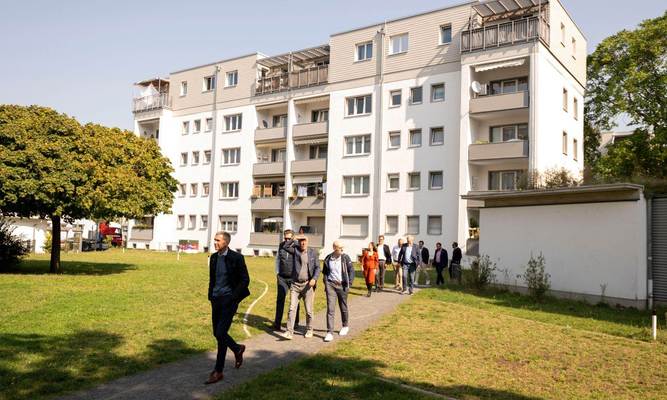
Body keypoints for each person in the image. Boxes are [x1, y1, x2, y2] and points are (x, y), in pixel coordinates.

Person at [205, 231, 250, 385]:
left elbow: (245, 280)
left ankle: (218, 370)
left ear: (226, 242)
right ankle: (237, 349)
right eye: (214, 240)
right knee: (218, 334)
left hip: (229, 300)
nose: (215, 242)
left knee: (220, 332)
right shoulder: (214, 258)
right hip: (216, 299)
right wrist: (211, 296)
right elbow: (213, 279)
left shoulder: (236, 258)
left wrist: (233, 298)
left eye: (218, 240)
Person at [282, 235, 320, 340]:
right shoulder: (295, 250)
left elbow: (317, 268)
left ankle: (309, 329)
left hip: (307, 285)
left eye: (304, 241)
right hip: (295, 285)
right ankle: (289, 332)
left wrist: (314, 279)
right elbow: (285, 246)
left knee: (309, 310)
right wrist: (294, 238)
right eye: (301, 241)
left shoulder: (313, 252)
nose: (302, 243)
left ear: (307, 241)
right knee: (292, 308)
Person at [322, 240, 355, 342]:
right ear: (334, 248)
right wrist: (326, 283)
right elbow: (325, 272)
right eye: (340, 248)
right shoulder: (328, 258)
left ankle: (345, 326)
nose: (342, 249)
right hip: (331, 285)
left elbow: (351, 271)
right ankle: (329, 332)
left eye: (342, 248)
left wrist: (349, 283)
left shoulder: (345, 258)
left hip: (342, 285)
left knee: (343, 306)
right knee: (330, 309)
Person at [272, 229, 299, 331]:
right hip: (282, 277)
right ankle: (277, 324)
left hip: (293, 278)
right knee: (280, 300)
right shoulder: (281, 245)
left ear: (293, 237)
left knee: (295, 301)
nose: (287, 240)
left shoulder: (297, 246)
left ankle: (295, 323)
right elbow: (278, 259)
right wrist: (277, 273)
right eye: (285, 238)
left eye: (289, 238)